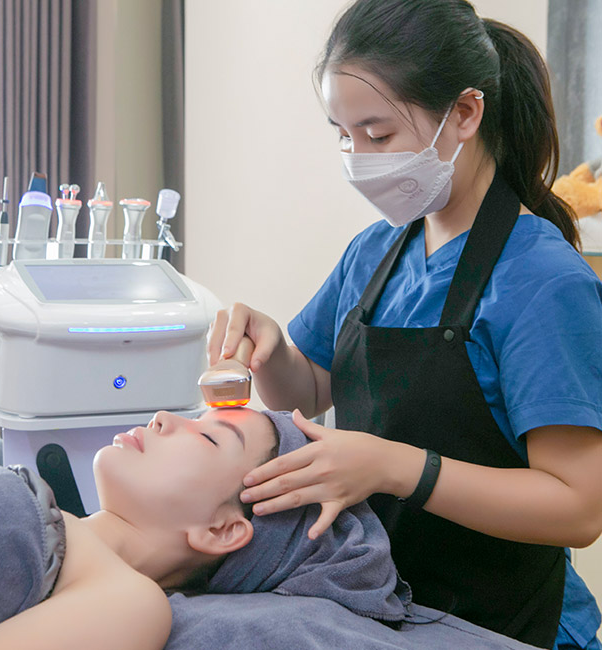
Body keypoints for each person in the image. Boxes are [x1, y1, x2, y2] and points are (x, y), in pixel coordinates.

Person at [207, 1, 602, 649]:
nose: (357, 157)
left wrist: (397, 468)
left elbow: (577, 507)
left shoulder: (542, 280)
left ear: (465, 113)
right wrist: (272, 351)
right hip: (395, 613)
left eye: (378, 134)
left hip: (511, 624)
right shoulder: (374, 252)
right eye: (343, 135)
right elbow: (307, 391)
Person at [0, 408, 279, 650]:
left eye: (209, 437)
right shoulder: (51, 521)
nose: (163, 418)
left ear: (221, 531)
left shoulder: (133, 604)